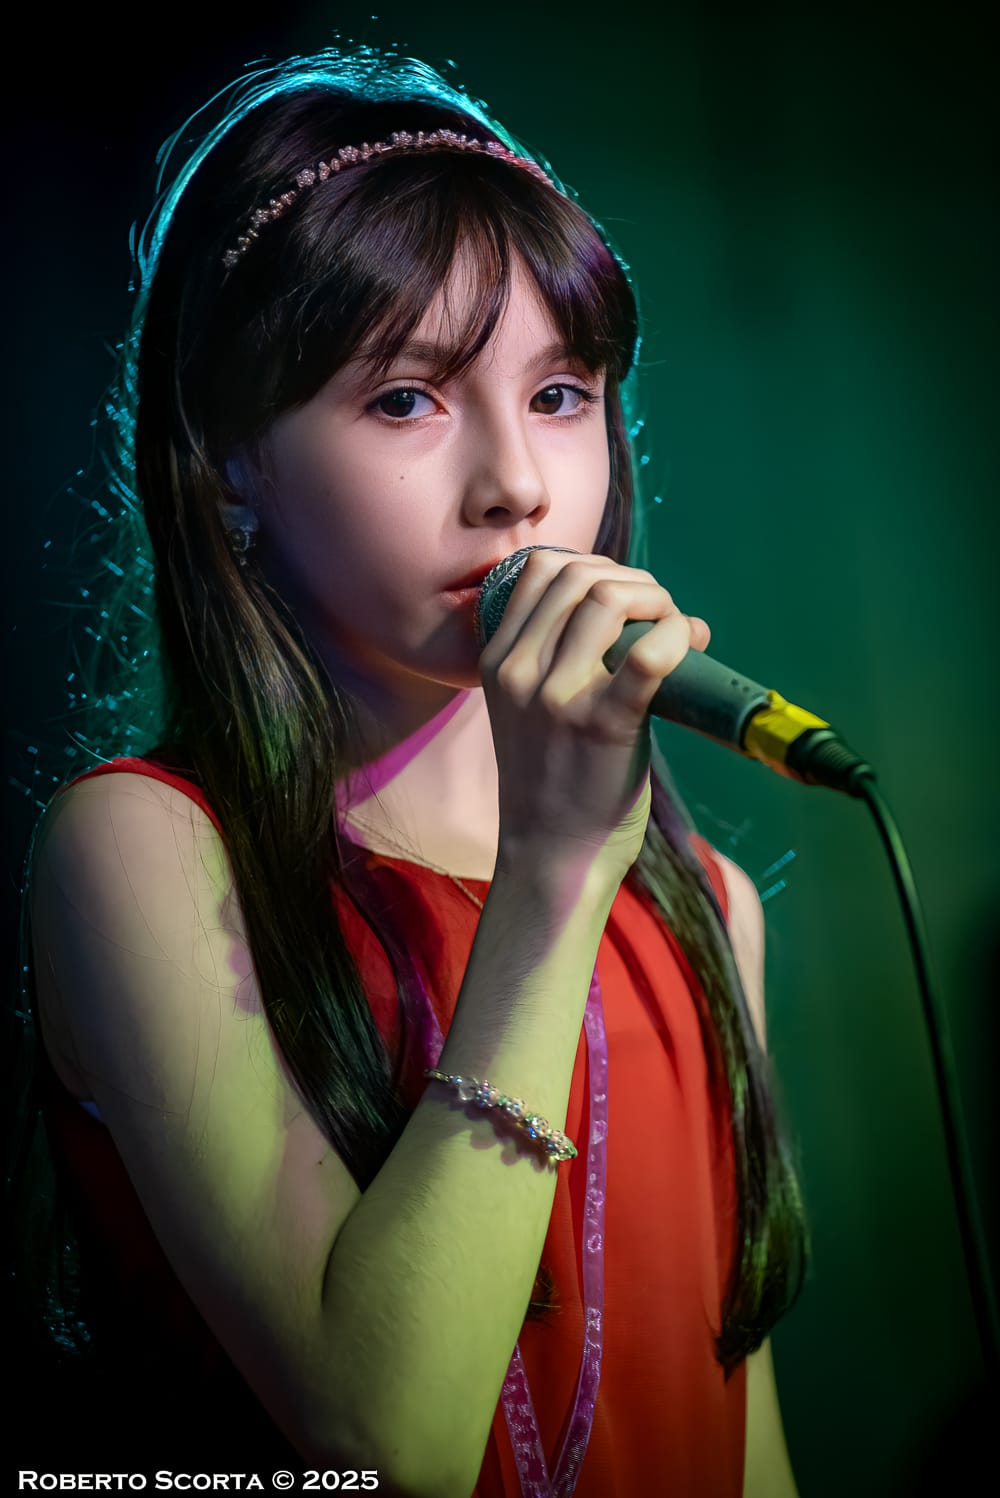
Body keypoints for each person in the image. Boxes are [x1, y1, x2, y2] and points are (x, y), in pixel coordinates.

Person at [12, 43, 808, 1496]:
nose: (517, 485)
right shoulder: (141, 851)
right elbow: (383, 1443)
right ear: (229, 459)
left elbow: (742, 1436)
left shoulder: (707, 907)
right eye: (405, 400)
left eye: (561, 393)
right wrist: (554, 874)